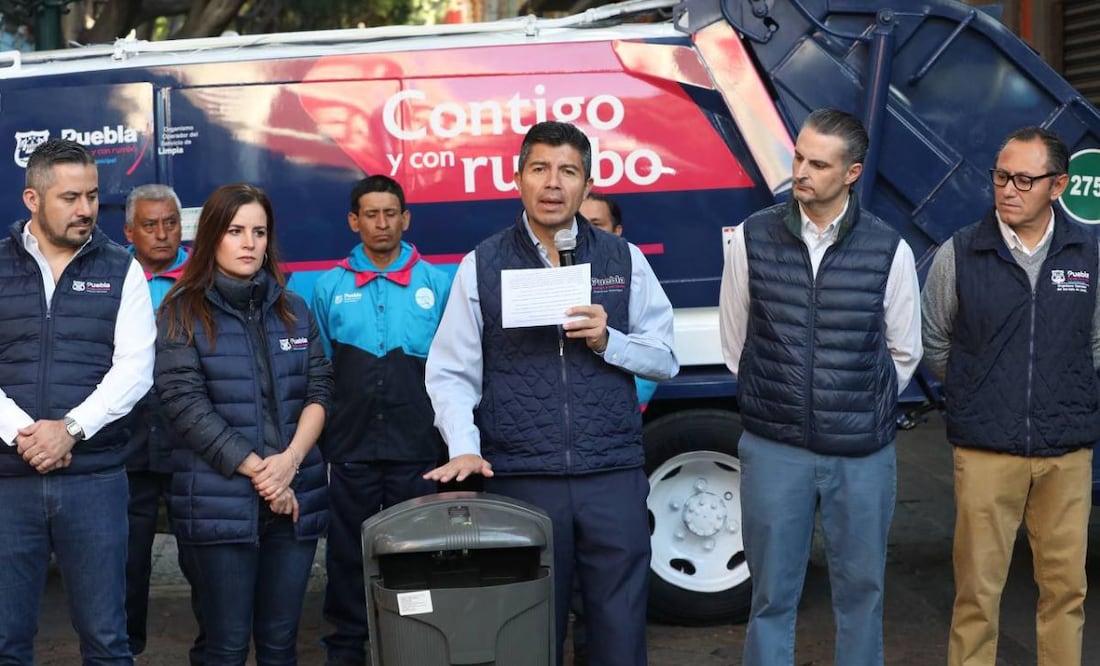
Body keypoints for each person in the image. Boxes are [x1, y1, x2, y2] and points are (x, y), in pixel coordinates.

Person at [424, 120, 678, 666]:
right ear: (517, 179)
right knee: (523, 633)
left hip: (610, 473)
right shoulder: (482, 265)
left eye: (568, 171)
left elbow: (665, 358)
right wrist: (463, 446)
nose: (553, 183)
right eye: (539, 168)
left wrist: (610, 341)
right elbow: (450, 371)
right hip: (521, 477)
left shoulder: (624, 261)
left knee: (619, 629)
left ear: (587, 184)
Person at [718, 108, 922, 666]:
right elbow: (735, 340)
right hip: (774, 447)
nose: (801, 171)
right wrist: (779, 398)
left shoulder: (888, 250)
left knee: (861, 596)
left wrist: (855, 407)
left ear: (852, 173)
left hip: (861, 455)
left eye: (818, 163)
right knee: (770, 598)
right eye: (799, 157)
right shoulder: (752, 238)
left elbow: (904, 350)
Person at [922, 126, 1099, 666]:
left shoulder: (1088, 254)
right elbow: (934, 340)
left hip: (1064, 453)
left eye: (1025, 179)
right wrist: (981, 393)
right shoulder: (960, 252)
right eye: (1001, 176)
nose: (1008, 189)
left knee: (1065, 593)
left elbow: (1094, 343)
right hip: (985, 453)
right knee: (977, 594)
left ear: (1058, 185)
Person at [155, 183, 334, 665]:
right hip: (221, 508)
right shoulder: (180, 311)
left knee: (280, 647)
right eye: (236, 231)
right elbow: (185, 405)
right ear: (212, 237)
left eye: (259, 231)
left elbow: (319, 392)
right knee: (226, 647)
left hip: (294, 503)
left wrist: (290, 462)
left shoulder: (294, 309)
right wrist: (264, 473)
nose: (249, 243)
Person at [0, 138, 156, 663]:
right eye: (70, 197)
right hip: (7, 483)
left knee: (108, 641)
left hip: (94, 479)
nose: (86, 209)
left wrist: (69, 429)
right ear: (33, 199)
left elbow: (136, 368)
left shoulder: (121, 269)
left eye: (91, 195)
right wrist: (25, 437)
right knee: (5, 641)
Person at [311, 175, 451, 666]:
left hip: (417, 447)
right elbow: (320, 372)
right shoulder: (328, 287)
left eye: (391, 213)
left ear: (405, 218)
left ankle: (418, 642)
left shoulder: (437, 282)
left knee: (416, 554)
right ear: (354, 221)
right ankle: (347, 647)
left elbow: (453, 367)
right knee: (348, 554)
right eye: (370, 214)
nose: (382, 223)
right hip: (349, 449)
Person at [119, 184, 206, 663]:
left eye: (170, 223)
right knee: (126, 562)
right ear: (129, 231)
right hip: (127, 442)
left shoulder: (203, 278)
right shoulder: (113, 278)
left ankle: (215, 647)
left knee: (202, 557)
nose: (161, 234)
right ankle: (125, 649)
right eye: (149, 225)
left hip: (190, 441)